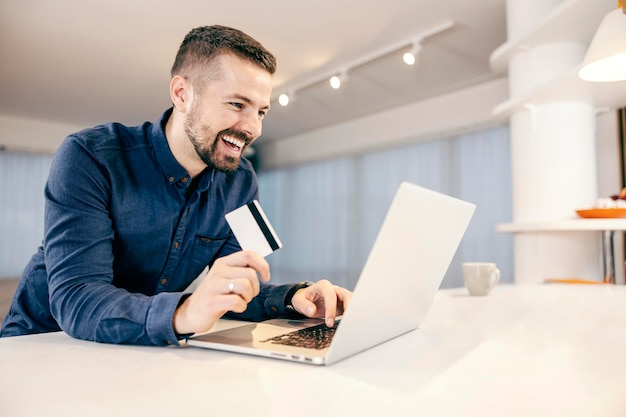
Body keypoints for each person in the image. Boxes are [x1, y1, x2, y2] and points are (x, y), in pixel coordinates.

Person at [0, 25, 352, 345]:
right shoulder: (89, 157)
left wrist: (294, 298)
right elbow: (77, 297)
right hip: (43, 343)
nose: (254, 128)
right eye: (236, 104)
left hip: (141, 350)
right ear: (182, 94)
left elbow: (238, 290)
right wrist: (185, 313)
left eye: (260, 111)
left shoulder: (241, 182)